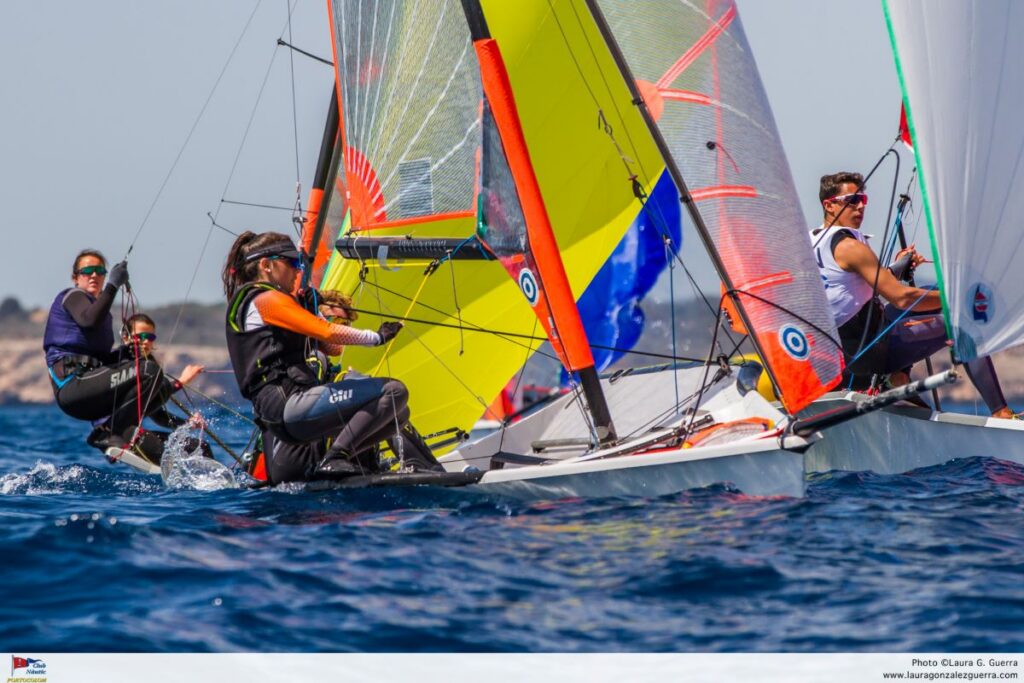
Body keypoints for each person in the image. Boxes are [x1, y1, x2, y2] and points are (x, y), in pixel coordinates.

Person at [222, 231, 442, 484]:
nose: (298, 271)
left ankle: (344, 464)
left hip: (288, 412)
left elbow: (331, 347)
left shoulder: (273, 304)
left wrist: (313, 311)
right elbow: (328, 332)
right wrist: (376, 337)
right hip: (287, 405)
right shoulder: (266, 298)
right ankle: (336, 457)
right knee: (393, 391)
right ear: (266, 265)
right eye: (293, 263)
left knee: (397, 413)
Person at [810, 171, 1013, 418]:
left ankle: (898, 377)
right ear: (829, 205)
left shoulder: (813, 240)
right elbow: (902, 298)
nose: (861, 206)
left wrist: (897, 267)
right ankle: (1001, 412)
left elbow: (853, 287)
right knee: (963, 321)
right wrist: (955, 299)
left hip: (844, 350)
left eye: (863, 198)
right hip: (867, 354)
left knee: (930, 293)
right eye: (853, 200)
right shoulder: (850, 246)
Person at [110, 313, 210, 464]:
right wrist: (181, 382)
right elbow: (149, 398)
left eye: (150, 337)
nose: (145, 342)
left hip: (136, 434)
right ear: (126, 338)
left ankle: (216, 482)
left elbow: (156, 413)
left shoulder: (149, 366)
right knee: (174, 457)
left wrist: (187, 423)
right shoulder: (121, 364)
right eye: (140, 336)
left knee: (201, 447)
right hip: (121, 435)